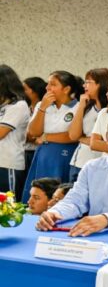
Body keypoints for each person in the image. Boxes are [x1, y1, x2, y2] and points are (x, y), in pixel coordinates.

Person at [23, 71, 82, 202]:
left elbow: (72, 136)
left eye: (53, 84)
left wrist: (46, 137)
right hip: (44, 153)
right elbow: (33, 132)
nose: (47, 88)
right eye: (48, 83)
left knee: (57, 193)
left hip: (65, 154)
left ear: (66, 89)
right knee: (38, 190)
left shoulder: (78, 107)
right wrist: (43, 107)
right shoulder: (42, 105)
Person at [68, 68, 108, 182]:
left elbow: (105, 142)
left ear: (101, 84)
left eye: (88, 82)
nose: (84, 85)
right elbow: (73, 135)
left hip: (100, 164)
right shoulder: (86, 106)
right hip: (78, 162)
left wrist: (82, 138)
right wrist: (81, 105)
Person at [0, 65, 31, 198]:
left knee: (8, 207)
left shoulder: (18, 105)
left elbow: (1, 133)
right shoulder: (4, 105)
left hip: (8, 164)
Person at [22, 76, 46, 172]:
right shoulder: (25, 108)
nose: (21, 92)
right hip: (23, 152)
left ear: (34, 91)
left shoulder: (45, 108)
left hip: (37, 152)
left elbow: (34, 134)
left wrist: (30, 137)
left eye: (24, 89)